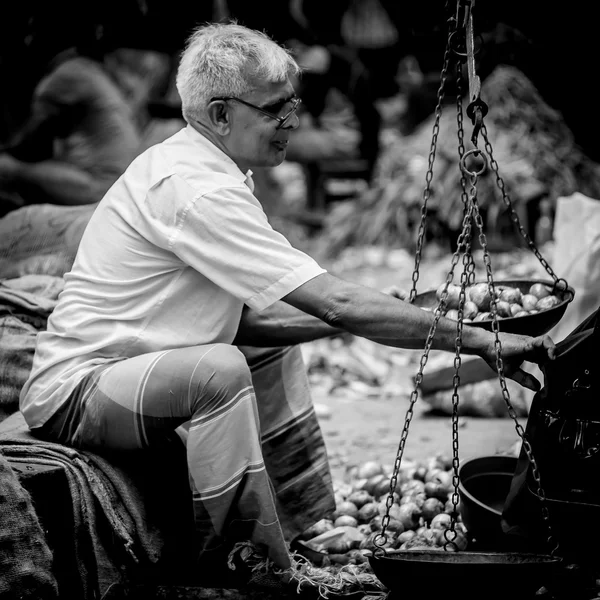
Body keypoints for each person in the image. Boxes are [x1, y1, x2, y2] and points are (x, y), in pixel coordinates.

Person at [19, 23, 556, 583]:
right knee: (220, 372)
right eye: (275, 109)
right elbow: (337, 301)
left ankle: (298, 517)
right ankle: (246, 563)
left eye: (292, 103)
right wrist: (478, 339)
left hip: (129, 372)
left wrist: (371, 316)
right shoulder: (198, 189)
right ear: (222, 115)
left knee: (266, 353)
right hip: (77, 391)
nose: (293, 121)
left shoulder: (204, 165)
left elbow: (259, 318)